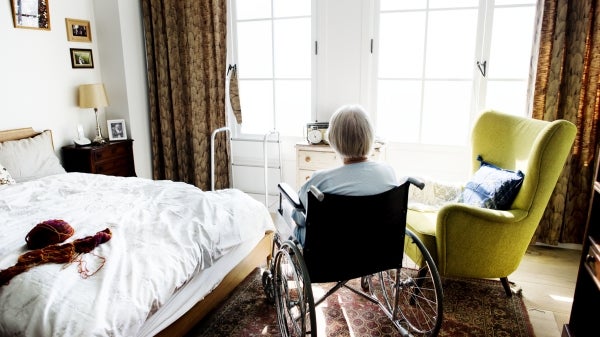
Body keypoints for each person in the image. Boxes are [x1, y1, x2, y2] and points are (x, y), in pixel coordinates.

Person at [291, 104, 398, 246]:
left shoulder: (320, 181)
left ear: (333, 139)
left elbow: (300, 214)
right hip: (376, 247)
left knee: (292, 216)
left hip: (332, 249)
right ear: (370, 137)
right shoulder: (388, 172)